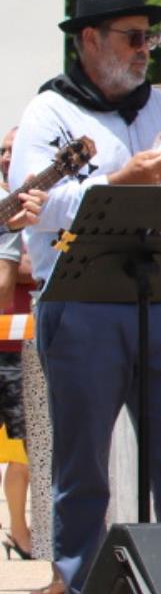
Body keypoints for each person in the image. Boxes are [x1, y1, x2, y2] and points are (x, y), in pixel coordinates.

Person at [11, 0, 161, 594]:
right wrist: (114, 183)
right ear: (90, 40)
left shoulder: (160, 107)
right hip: (81, 303)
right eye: (132, 36)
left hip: (157, 298)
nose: (144, 49)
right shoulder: (51, 112)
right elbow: (28, 210)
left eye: (148, 36)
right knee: (82, 463)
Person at [0, 132, 46, 562]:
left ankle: (33, 540)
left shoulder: (26, 211)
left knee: (33, 452)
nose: (9, 156)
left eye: (17, 148)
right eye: (4, 150)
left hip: (22, 347)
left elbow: (12, 278)